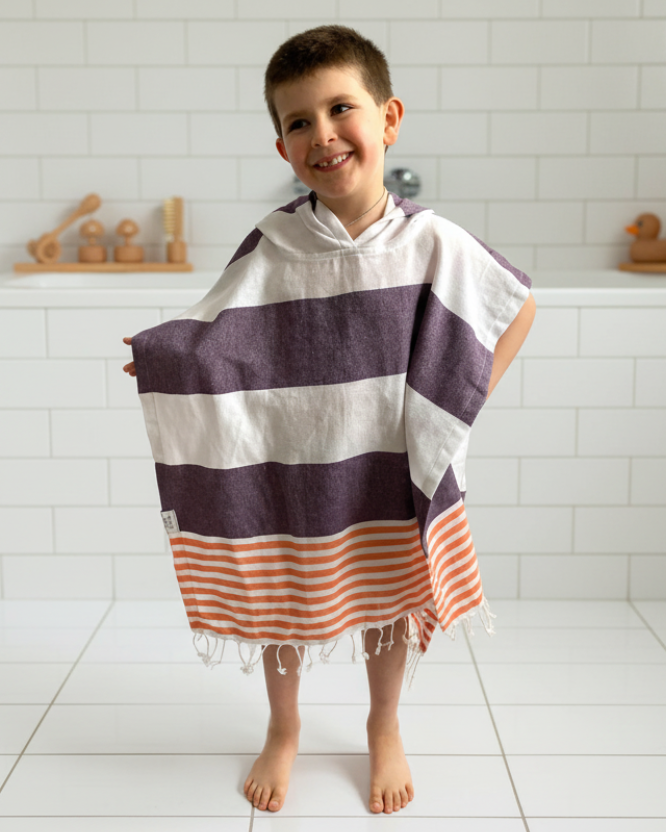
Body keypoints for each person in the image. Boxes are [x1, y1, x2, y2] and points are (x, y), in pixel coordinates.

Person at [122, 24, 536, 817]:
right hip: (293, 466)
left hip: (385, 462)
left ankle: (383, 723)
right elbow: (217, 333)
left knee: (386, 598)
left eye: (340, 108)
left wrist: (454, 405)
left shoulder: (433, 243)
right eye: (299, 122)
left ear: (388, 118)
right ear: (282, 148)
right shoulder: (274, 245)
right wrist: (168, 364)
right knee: (286, 594)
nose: (323, 134)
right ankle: (285, 727)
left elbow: (512, 307)